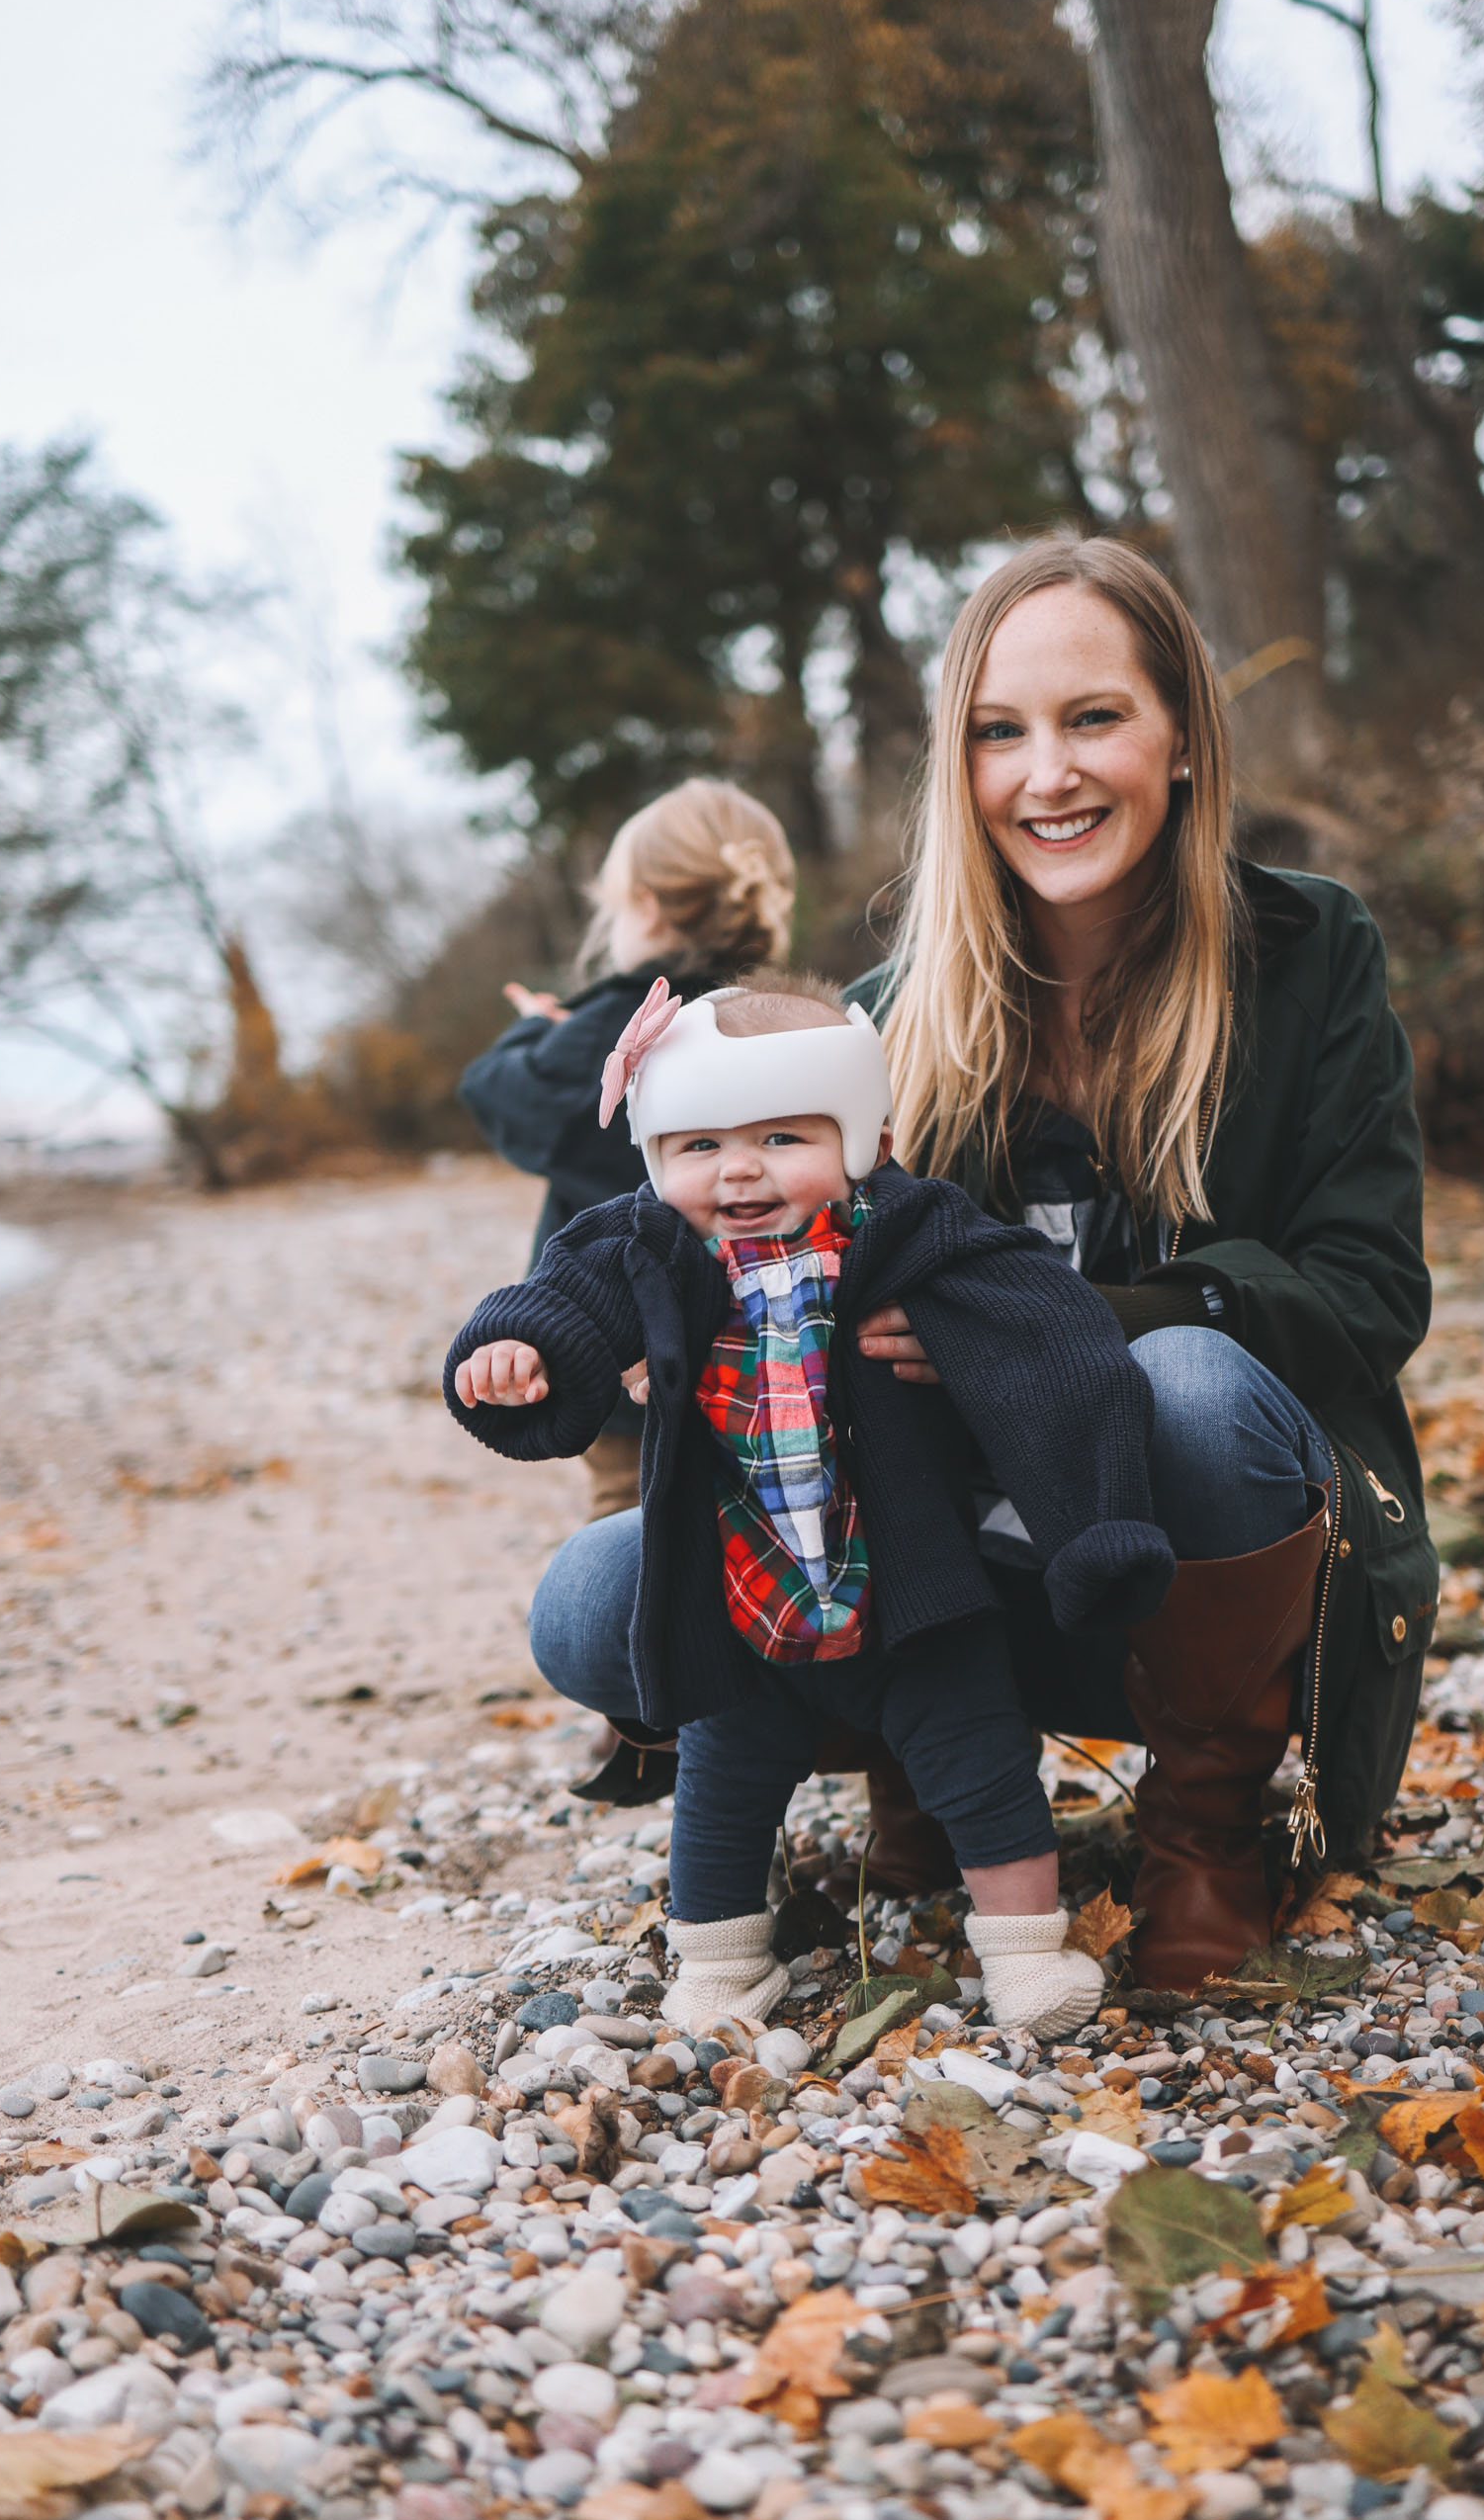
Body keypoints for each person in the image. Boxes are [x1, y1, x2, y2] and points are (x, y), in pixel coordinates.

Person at [528, 534, 1438, 1998]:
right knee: (592, 1593)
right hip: (945, 1576)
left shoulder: (1309, 951)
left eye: (1093, 718)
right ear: (957, 764)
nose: (1045, 775)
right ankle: (918, 1758)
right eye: (999, 733)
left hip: (1206, 1553)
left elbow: (1371, 1297)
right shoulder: (883, 1020)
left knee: (1187, 1384)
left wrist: (1069, 1323)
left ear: (1184, 738)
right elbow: (743, 1258)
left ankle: (1208, 1832)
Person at [444, 972, 1176, 2040]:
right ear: (653, 1154)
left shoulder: (910, 1225)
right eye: (696, 1146)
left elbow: (1051, 1336)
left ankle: (1027, 1953)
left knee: (980, 1763)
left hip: (912, 1580)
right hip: (741, 1588)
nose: (738, 1169)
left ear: (865, 1135)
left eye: (783, 1136)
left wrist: (1096, 1519)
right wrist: (523, 1350)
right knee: (722, 1787)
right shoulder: (652, 1241)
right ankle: (719, 1968)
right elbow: (567, 1289)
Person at [460, 778, 797, 1543]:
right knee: (763, 1524)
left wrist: (532, 1032)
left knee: (636, 1527)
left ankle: (634, 1654)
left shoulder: (621, 1022)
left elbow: (502, 1097)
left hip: (622, 1350)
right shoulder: (784, 1019)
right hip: (778, 1351)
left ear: (645, 906)